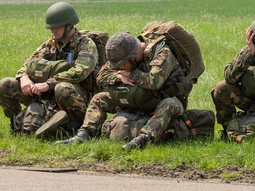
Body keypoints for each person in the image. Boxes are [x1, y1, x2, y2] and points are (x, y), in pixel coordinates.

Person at [57, 31, 185, 150]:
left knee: (169, 104)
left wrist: (131, 74)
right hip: (135, 98)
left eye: (122, 65)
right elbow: (101, 77)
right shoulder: (122, 54)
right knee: (99, 98)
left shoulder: (162, 53)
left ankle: (145, 138)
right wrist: (118, 77)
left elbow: (154, 81)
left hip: (161, 99)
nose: (119, 67)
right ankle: (85, 133)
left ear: (133, 57)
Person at [0, 2, 99, 138]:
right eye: (51, 28)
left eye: (56, 27)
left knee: (62, 88)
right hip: (44, 93)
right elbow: (27, 64)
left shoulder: (86, 44)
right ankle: (17, 124)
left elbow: (81, 71)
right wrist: (24, 77)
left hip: (74, 94)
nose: (52, 31)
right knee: (5, 85)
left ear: (68, 25)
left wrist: (49, 83)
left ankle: (77, 127)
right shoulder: (50, 45)